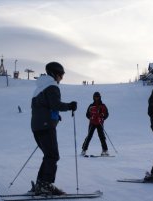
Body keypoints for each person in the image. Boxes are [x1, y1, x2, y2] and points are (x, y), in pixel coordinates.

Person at [31, 62, 77, 195]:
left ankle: (41, 184)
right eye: (61, 75)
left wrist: (54, 117)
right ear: (54, 74)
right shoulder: (52, 86)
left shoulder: (39, 88)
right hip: (46, 127)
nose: (61, 78)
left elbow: (43, 107)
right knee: (52, 156)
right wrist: (70, 106)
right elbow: (55, 104)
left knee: (48, 156)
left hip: (37, 127)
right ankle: (45, 185)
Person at [81, 92, 109, 156]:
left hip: (99, 123)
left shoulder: (103, 106)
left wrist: (102, 117)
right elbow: (87, 114)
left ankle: (105, 150)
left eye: (97, 97)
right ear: (93, 97)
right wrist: (91, 117)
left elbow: (106, 114)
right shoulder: (91, 106)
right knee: (89, 136)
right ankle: (84, 150)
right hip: (92, 123)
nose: (96, 98)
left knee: (102, 136)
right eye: (95, 97)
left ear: (100, 97)